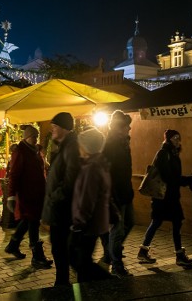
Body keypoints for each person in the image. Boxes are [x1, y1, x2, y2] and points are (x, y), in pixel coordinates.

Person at [137, 129, 192, 267]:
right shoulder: (164, 153)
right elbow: (168, 177)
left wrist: (186, 180)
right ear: (168, 139)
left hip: (170, 196)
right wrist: (186, 180)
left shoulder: (173, 154)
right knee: (161, 222)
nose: (178, 141)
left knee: (169, 222)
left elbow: (172, 176)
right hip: (163, 197)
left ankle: (147, 251)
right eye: (175, 138)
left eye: (178, 138)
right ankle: (177, 255)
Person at [4, 125, 53, 268]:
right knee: (33, 222)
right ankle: (37, 257)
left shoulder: (36, 151)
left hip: (37, 193)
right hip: (26, 194)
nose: (36, 138)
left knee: (28, 220)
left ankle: (13, 245)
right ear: (26, 137)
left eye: (37, 136)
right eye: (33, 136)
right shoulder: (20, 152)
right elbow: (14, 175)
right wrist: (11, 196)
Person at [41, 112, 81, 287]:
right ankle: (62, 283)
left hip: (64, 210)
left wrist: (55, 197)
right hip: (61, 208)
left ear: (65, 128)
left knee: (62, 250)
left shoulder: (72, 147)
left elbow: (71, 179)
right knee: (60, 250)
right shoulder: (65, 146)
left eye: (55, 126)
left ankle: (63, 286)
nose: (52, 129)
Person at [69, 126, 114, 283]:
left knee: (80, 261)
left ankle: (110, 283)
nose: (79, 148)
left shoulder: (92, 168)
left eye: (81, 144)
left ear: (87, 146)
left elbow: (87, 198)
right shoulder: (99, 164)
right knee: (82, 261)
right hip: (95, 223)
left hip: (88, 224)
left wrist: (79, 222)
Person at [102, 110, 135, 277]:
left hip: (125, 192)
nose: (129, 128)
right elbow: (107, 171)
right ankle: (116, 265)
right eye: (127, 126)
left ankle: (110, 253)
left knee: (130, 222)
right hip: (115, 194)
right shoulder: (111, 145)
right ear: (119, 127)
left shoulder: (123, 143)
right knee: (118, 229)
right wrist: (112, 194)